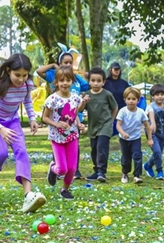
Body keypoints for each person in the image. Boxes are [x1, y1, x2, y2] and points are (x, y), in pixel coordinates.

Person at [0, 53, 47, 213]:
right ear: (8, 70)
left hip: (12, 122)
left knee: (22, 152)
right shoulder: (0, 86)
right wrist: (0, 129)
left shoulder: (27, 85)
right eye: (17, 75)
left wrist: (32, 119)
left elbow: (27, 100)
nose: (21, 79)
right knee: (0, 154)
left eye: (24, 75)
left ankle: (28, 195)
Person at [36, 50, 89, 179]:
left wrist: (79, 121)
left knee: (73, 152)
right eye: (66, 62)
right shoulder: (54, 75)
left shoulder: (76, 79)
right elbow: (39, 71)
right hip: (58, 125)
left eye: (71, 62)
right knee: (60, 156)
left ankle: (73, 171)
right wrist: (54, 66)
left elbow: (85, 91)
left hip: (73, 123)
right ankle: (57, 169)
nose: (69, 64)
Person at [42, 68, 88, 200]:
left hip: (72, 136)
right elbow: (44, 118)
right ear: (56, 82)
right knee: (62, 169)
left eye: (68, 80)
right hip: (57, 138)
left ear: (72, 82)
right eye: (62, 80)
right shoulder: (52, 99)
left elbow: (74, 113)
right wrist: (56, 124)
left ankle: (64, 190)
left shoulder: (75, 98)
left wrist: (79, 124)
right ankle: (52, 169)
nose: (65, 83)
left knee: (72, 168)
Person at [85, 67, 118, 182]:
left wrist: (111, 121)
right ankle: (96, 171)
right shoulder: (87, 95)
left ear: (103, 82)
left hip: (105, 125)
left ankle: (102, 172)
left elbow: (114, 108)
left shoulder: (107, 94)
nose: (96, 83)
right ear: (89, 81)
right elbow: (78, 110)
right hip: (93, 126)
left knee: (101, 147)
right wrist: (84, 102)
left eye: (99, 81)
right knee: (94, 149)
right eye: (93, 80)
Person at [116, 86, 152, 185]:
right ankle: (125, 173)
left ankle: (137, 175)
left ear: (138, 100)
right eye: (129, 99)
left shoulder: (141, 112)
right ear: (125, 100)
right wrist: (123, 133)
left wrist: (150, 139)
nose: (131, 101)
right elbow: (118, 125)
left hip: (136, 138)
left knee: (137, 156)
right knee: (126, 158)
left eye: (134, 99)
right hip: (124, 139)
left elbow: (147, 126)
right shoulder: (122, 111)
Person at [143, 84, 164, 180]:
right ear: (152, 96)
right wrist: (152, 123)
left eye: (162, 94)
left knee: (158, 153)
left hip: (162, 132)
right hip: (152, 133)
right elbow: (151, 114)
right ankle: (160, 171)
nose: (160, 96)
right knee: (157, 151)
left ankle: (147, 166)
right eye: (157, 94)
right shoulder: (150, 107)